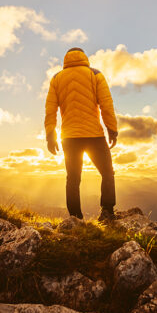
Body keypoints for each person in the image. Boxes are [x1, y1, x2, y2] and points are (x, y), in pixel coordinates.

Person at [44, 47, 118, 222]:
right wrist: (112, 129)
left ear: (66, 59)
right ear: (84, 57)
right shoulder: (95, 74)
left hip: (69, 137)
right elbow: (106, 105)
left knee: (73, 178)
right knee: (107, 173)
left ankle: (75, 218)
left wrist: (50, 135)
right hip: (94, 135)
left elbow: (50, 110)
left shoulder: (56, 78)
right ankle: (107, 212)